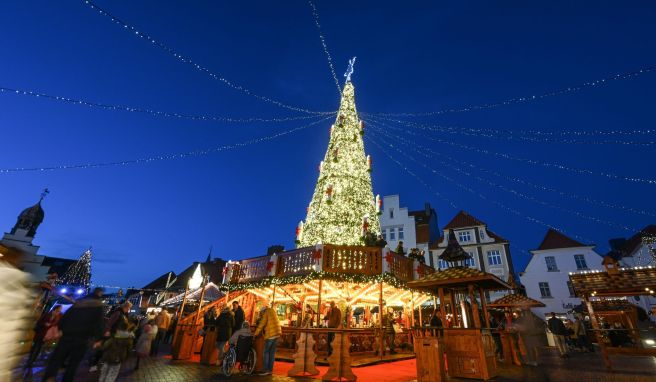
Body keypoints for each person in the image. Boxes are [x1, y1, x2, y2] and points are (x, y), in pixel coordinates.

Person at [43, 287, 105, 382]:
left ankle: (49, 377)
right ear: (100, 294)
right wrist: (98, 338)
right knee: (73, 364)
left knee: (56, 359)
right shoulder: (98, 306)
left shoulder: (79, 302)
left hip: (67, 335)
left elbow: (66, 316)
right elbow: (99, 324)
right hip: (82, 338)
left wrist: (60, 328)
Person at [254, 305, 281, 376]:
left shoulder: (266, 313)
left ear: (263, 311)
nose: (261, 314)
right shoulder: (273, 311)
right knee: (272, 353)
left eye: (261, 313)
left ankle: (265, 370)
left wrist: (255, 334)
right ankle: (270, 370)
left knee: (265, 352)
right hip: (277, 334)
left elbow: (261, 324)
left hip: (271, 335)